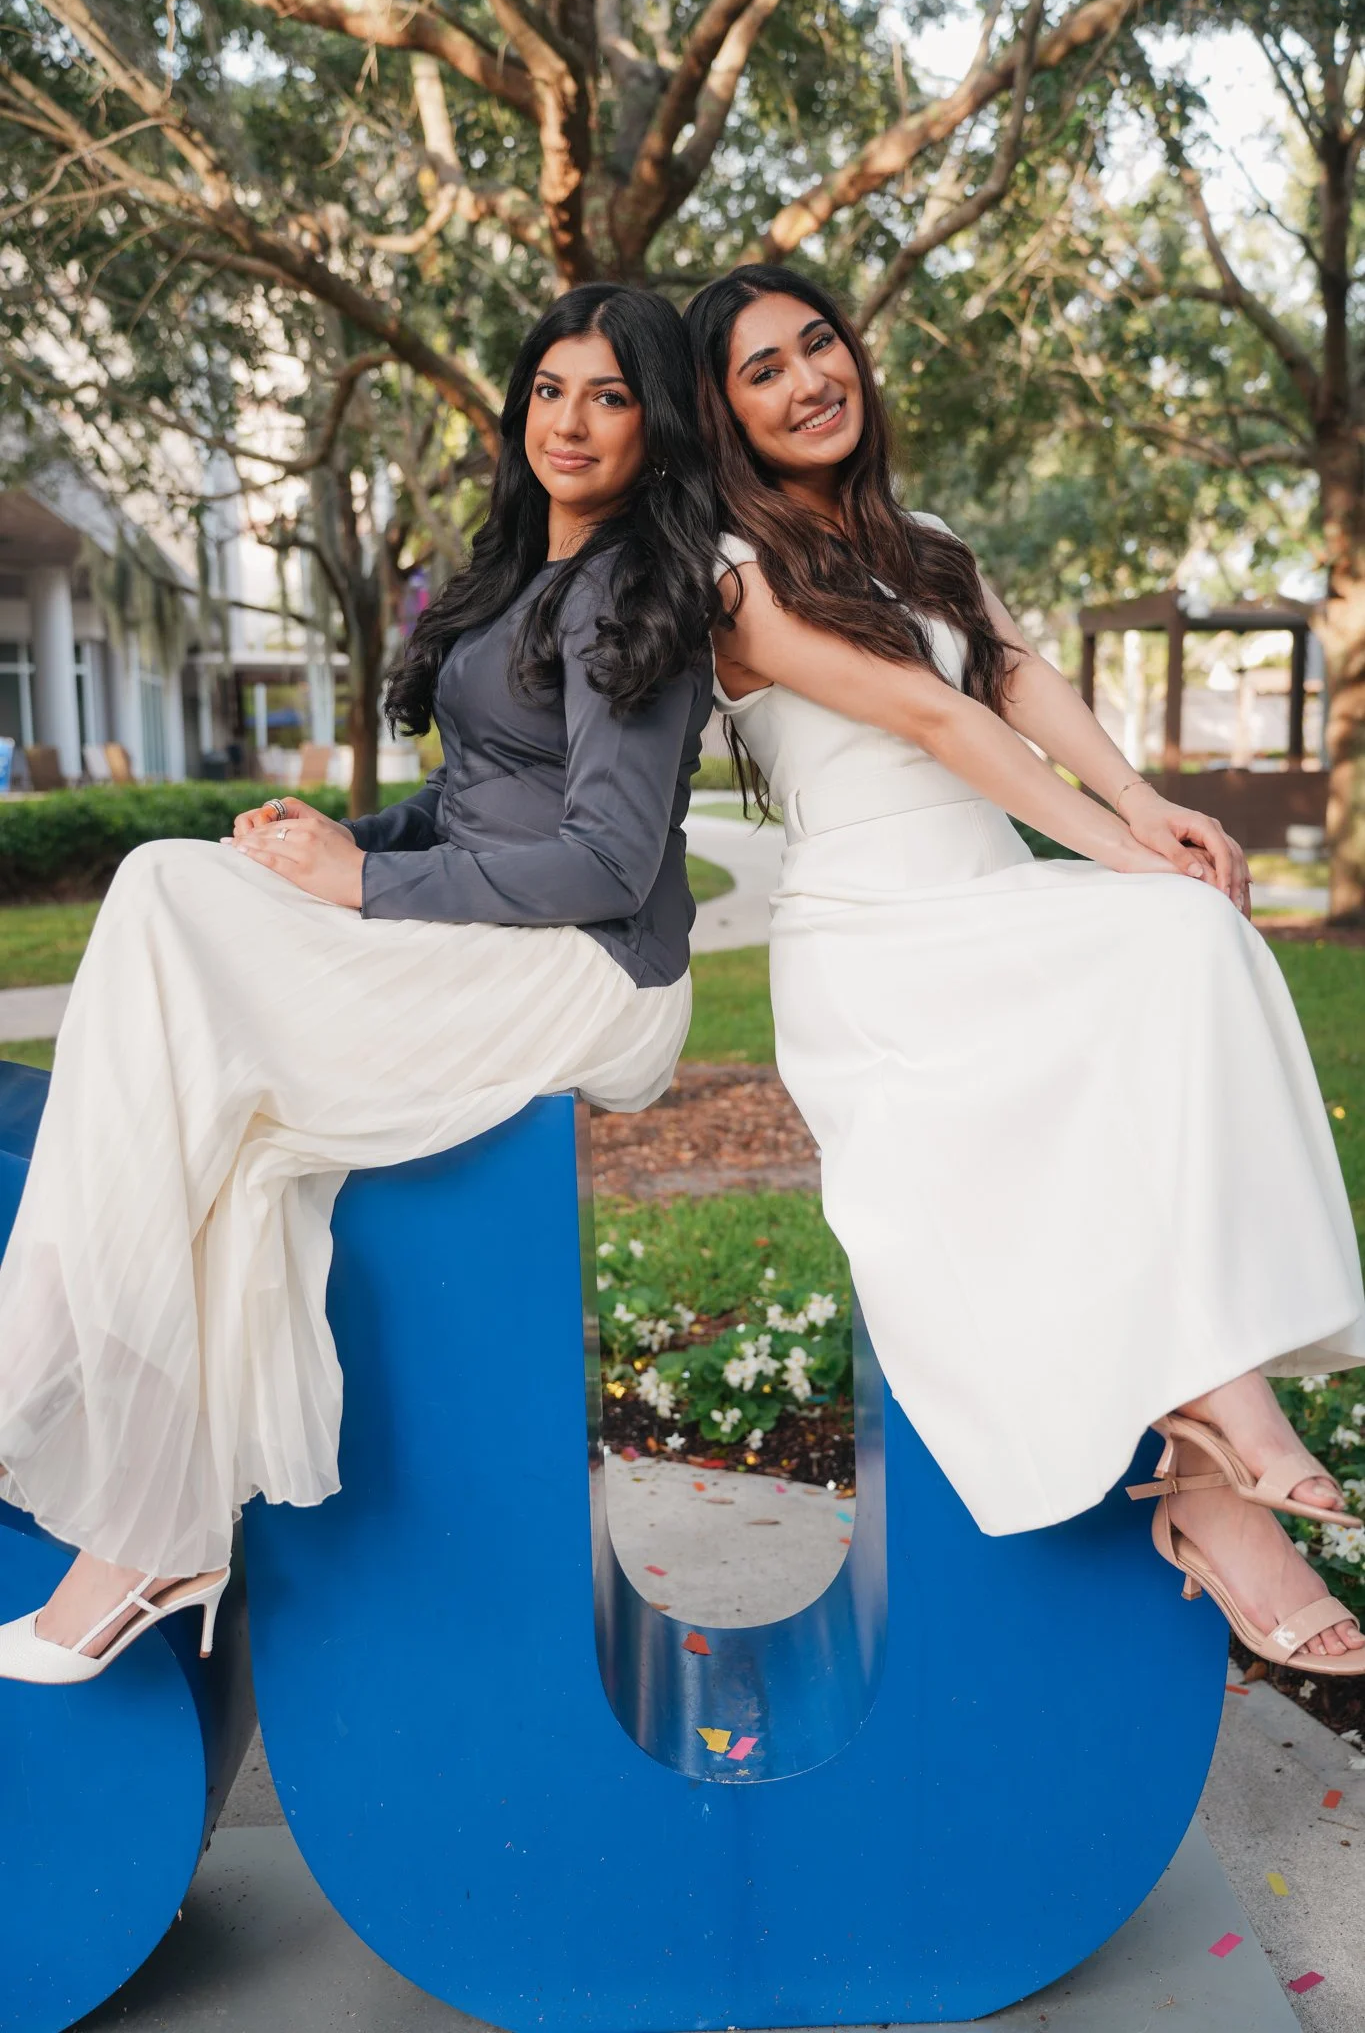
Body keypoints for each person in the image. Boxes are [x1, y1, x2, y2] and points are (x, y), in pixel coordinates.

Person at [0, 283, 718, 1682]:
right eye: (551, 389)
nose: (570, 423)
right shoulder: (523, 570)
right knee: (204, 1032)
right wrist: (339, 845)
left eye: (611, 396)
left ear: (657, 426)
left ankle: (90, 1443)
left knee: (162, 896)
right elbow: (475, 801)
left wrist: (363, 889)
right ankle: (153, 1529)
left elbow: (608, 861)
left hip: (591, 972)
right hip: (499, 934)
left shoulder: (636, 585)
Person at [685, 262, 1365, 1676]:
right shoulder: (733, 577)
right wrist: (1118, 847)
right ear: (723, 414)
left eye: (820, 344)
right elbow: (935, 718)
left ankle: (1211, 1447)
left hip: (991, 900)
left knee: (1195, 937)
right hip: (876, 939)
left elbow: (1011, 674)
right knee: (1171, 924)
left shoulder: (924, 541)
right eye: (764, 370)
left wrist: (1145, 804)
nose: (810, 380)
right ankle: (1227, 1428)